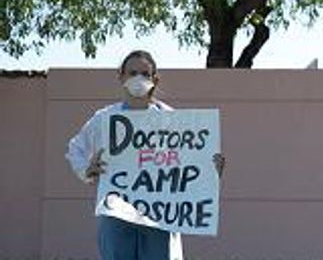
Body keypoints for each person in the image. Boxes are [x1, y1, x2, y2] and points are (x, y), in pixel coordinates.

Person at [65, 50, 226, 260]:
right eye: (132, 73)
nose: (138, 78)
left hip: (158, 217)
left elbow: (189, 166)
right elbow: (75, 149)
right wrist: (86, 170)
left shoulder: (172, 120)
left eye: (145, 74)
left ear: (155, 79)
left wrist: (209, 171)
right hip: (116, 215)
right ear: (121, 77)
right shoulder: (105, 118)